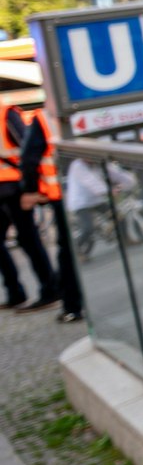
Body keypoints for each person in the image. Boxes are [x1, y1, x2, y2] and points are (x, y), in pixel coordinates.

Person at [17, 104, 83, 323]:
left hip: (63, 194)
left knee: (68, 250)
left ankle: (73, 306)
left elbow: (29, 158)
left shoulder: (44, 117)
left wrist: (30, 190)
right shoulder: (88, 106)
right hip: (99, 186)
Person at [0, 100, 58, 311]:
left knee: (28, 239)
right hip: (5, 189)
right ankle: (15, 293)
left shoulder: (5, 113)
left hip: (14, 187)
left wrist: (29, 189)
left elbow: (27, 149)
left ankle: (50, 290)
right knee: (23, 239)